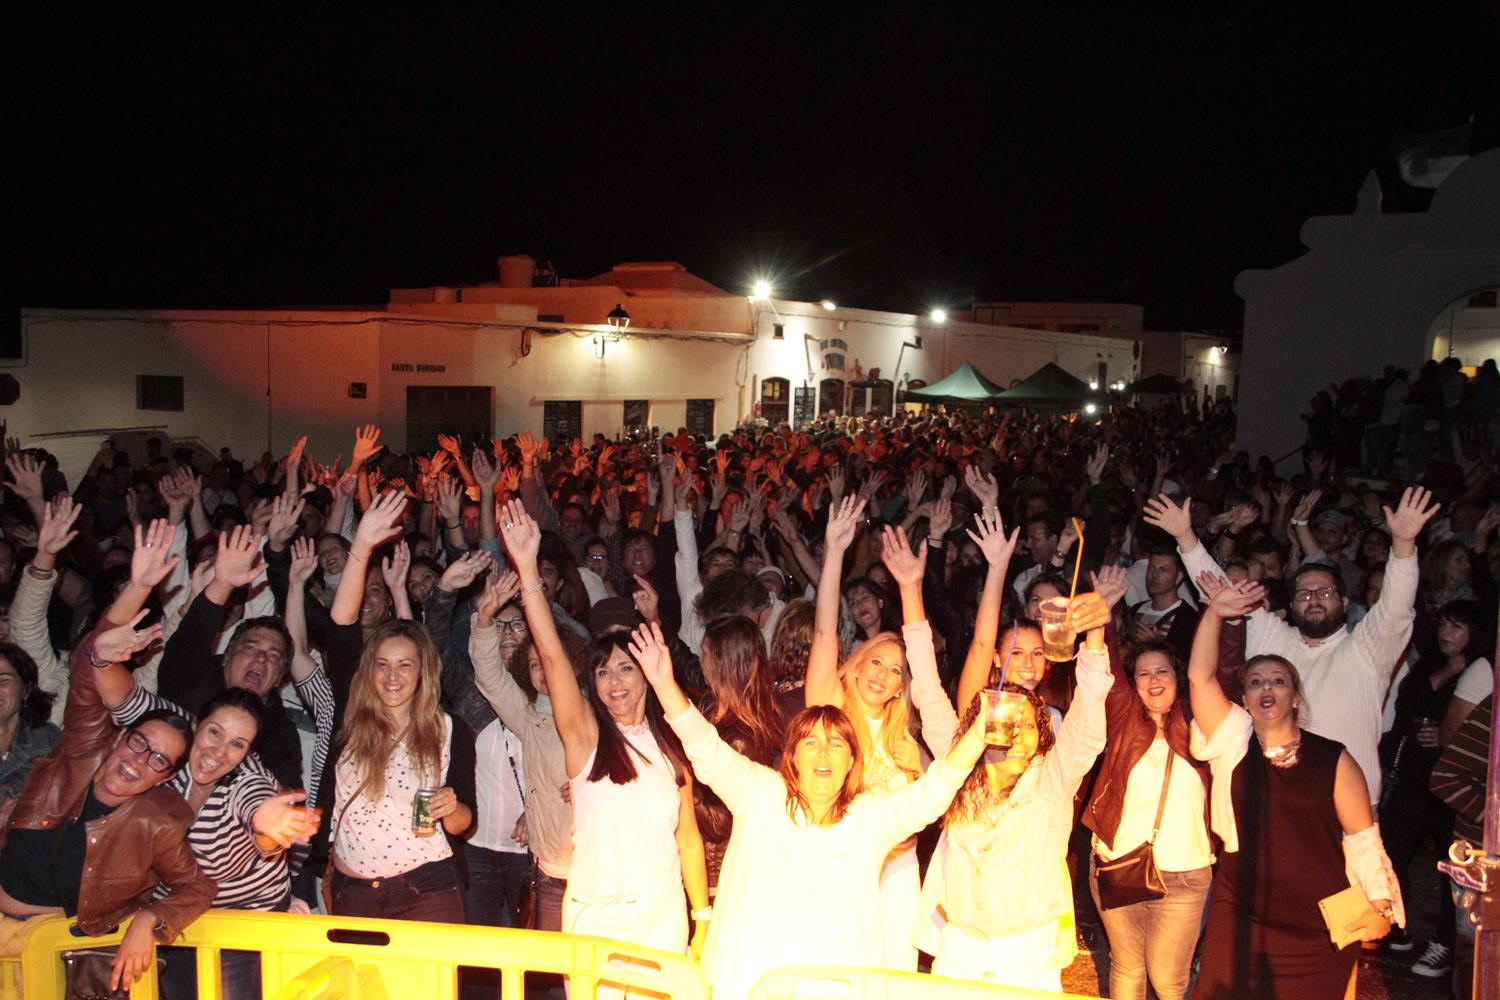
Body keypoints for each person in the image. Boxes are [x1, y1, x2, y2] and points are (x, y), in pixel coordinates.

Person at [628, 618, 988, 999]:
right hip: (748, 985)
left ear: (852, 762)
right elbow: (706, 748)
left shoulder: (869, 818)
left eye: (837, 745)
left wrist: (981, 733)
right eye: (811, 743)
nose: (823, 754)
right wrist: (664, 685)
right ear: (793, 756)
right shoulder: (761, 795)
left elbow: (934, 790)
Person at [497, 498, 710, 959]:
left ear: (647, 675)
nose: (615, 682)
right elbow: (552, 655)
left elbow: (688, 838)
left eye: (626, 668)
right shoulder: (585, 737)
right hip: (597, 919)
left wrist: (703, 917)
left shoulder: (671, 741)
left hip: (662, 915)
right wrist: (528, 568)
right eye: (603, 672)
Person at [0, 539, 215, 993]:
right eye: (139, 743)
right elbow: (86, 678)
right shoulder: (82, 753)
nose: (140, 760)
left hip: (53, 947)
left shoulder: (159, 821)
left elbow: (197, 888)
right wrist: (136, 590)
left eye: (158, 759)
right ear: (120, 737)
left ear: (165, 777)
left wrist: (152, 919)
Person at [904, 536, 1115, 993]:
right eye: (1006, 718)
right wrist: (908, 588)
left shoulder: (1054, 779)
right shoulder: (960, 768)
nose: (1016, 729)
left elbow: (1090, 708)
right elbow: (927, 685)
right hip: (959, 952)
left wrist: (1096, 633)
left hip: (1029, 957)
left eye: (1028, 723)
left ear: (1045, 732)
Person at [1147, 487, 1438, 806]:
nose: (1313, 599)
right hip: (1277, 802)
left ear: (1344, 603)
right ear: (1292, 603)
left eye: (1325, 593)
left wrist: (1403, 545)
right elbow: (1221, 589)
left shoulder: (1367, 649)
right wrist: (1186, 537)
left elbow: (1395, 607)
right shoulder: (1275, 638)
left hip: (1348, 810)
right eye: (1304, 594)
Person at [1188, 576, 1401, 999]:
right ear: (1244, 700)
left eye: (1278, 681)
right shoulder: (1232, 740)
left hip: (1318, 923)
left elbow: (1364, 840)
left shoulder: (1333, 757)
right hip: (1242, 914)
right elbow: (1200, 676)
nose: (1266, 687)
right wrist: (1215, 612)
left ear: (1296, 697)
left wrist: (1381, 904)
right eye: (1255, 682)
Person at [305, 490, 477, 922]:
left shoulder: (450, 728)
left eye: (405, 665)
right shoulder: (350, 714)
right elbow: (341, 624)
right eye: (382, 665)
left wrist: (452, 808)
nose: (393, 676)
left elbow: (464, 824)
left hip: (428, 886)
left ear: (422, 672)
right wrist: (361, 546)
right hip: (354, 890)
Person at [805, 496, 924, 970]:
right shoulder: (833, 714)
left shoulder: (904, 737)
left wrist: (920, 768)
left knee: (897, 978)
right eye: (876, 661)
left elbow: (931, 801)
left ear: (900, 688)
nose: (883, 674)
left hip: (899, 870)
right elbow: (824, 635)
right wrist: (835, 552)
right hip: (845, 866)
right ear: (854, 666)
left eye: (895, 671)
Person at [1083, 567, 1213, 1000]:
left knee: (1168, 979)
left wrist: (1217, 614)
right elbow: (1104, 668)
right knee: (1126, 967)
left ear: (1179, 678)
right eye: (1144, 674)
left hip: (1184, 874)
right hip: (1118, 863)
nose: (1154, 681)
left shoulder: (1201, 724)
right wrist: (1104, 611)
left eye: (1163, 672)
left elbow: (1222, 669)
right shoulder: (1123, 717)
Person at [470, 570, 589, 933]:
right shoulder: (530, 717)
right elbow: (490, 677)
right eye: (535, 665)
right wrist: (485, 620)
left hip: (593, 871)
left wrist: (592, 783)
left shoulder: (596, 715)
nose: (543, 672)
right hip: (547, 870)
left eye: (549, 663)